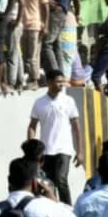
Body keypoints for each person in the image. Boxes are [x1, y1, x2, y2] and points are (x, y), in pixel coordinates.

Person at [26, 69, 82, 205]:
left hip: (64, 149)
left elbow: (76, 127)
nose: (61, 84)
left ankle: (68, 210)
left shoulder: (68, 101)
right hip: (45, 151)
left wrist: (80, 151)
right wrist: (32, 149)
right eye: (58, 82)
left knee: (61, 180)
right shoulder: (39, 102)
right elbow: (32, 126)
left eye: (62, 81)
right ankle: (52, 211)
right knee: (47, 184)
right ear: (49, 82)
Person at [21, 0, 49, 89]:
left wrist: (46, 24)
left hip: (35, 25)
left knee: (33, 55)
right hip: (22, 25)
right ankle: (27, 78)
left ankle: (35, 80)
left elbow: (46, 8)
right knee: (25, 55)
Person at [0, 0, 25, 90]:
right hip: (10, 22)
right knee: (16, 53)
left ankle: (11, 83)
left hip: (13, 23)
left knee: (11, 53)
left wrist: (17, 21)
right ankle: (20, 81)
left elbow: (22, 4)